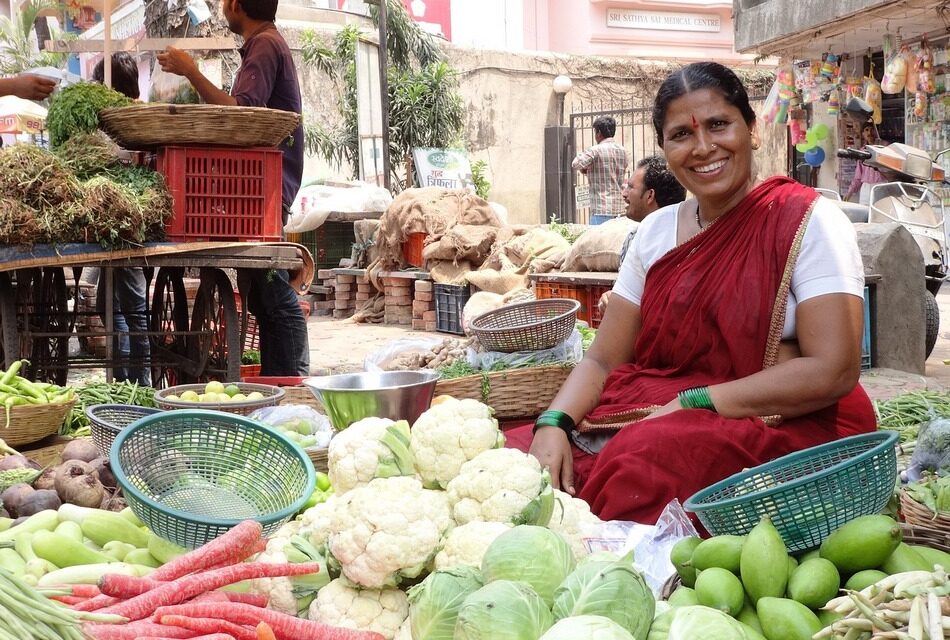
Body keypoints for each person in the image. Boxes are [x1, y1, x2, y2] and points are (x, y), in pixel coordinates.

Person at [507, 61, 875, 525]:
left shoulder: (808, 221)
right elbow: (603, 360)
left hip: (783, 424)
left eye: (719, 124)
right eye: (681, 134)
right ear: (665, 148)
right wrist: (553, 423)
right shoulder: (656, 232)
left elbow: (833, 370)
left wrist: (696, 400)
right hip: (659, 407)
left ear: (752, 130)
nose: (703, 147)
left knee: (640, 463)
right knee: (514, 459)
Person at [157, 0, 310, 376]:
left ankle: (294, 381)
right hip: (262, 187)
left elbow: (242, 113)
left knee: (273, 293)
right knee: (262, 295)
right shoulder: (264, 44)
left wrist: (192, 71)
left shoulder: (265, 45)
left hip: (269, 187)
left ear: (238, 5)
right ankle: (279, 384)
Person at [91, 53, 151, 386]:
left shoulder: (126, 119)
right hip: (117, 226)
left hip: (128, 227)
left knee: (133, 311)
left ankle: (136, 384)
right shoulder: (119, 118)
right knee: (111, 306)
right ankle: (129, 379)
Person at [600, 155, 685, 315]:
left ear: (650, 195)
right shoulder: (634, 237)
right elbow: (626, 294)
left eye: (631, 187)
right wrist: (610, 299)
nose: (624, 194)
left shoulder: (685, 238)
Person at [572, 115, 628, 220]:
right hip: (620, 208)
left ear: (598, 133)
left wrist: (586, 169)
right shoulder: (623, 151)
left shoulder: (595, 150)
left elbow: (576, 164)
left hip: (601, 209)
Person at [844, 123, 886, 205]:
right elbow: (858, 177)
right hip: (866, 187)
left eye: (872, 129)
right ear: (863, 134)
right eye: (866, 130)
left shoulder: (885, 147)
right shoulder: (862, 151)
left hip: (881, 185)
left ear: (876, 131)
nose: (869, 133)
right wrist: (850, 192)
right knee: (864, 213)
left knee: (879, 212)